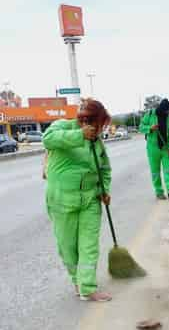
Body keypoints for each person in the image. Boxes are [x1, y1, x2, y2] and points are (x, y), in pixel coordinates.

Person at [43, 100, 112, 302]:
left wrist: (104, 190)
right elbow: (48, 140)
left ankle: (88, 287)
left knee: (89, 245)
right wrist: (79, 135)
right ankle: (77, 280)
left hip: (90, 199)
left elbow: (104, 169)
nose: (101, 130)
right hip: (62, 199)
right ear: (89, 122)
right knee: (68, 246)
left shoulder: (97, 142)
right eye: (100, 125)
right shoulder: (63, 126)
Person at [139, 98, 169, 200]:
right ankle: (159, 192)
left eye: (168, 111)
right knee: (155, 171)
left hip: (165, 148)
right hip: (153, 149)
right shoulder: (150, 114)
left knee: (168, 169)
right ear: (162, 109)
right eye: (166, 111)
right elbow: (141, 127)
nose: (167, 113)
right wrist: (150, 128)